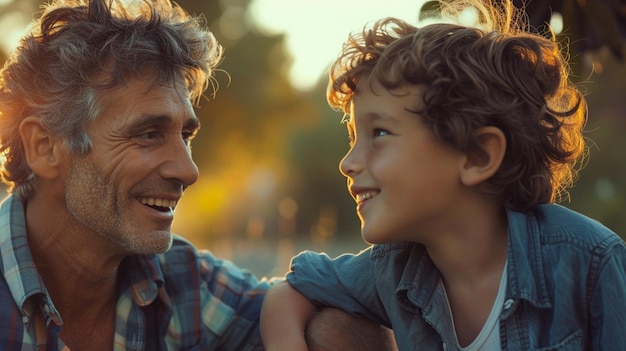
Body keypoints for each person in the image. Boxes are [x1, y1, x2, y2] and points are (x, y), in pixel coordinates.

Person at [0, 0, 397, 350]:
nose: (188, 171)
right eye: (149, 134)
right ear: (44, 147)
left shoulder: (181, 280)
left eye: (185, 135)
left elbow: (319, 314)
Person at [260, 0, 626, 350]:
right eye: (355, 137)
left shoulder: (588, 261)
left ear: (477, 156)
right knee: (327, 327)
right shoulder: (394, 266)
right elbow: (292, 289)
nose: (348, 163)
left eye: (380, 134)